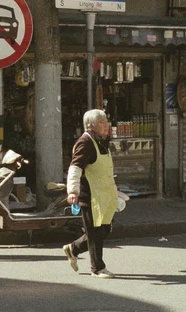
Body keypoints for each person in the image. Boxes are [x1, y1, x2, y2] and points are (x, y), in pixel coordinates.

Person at [63, 109, 118, 279]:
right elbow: (75, 168)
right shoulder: (85, 143)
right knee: (94, 232)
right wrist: (73, 191)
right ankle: (97, 268)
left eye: (106, 121)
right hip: (91, 196)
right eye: (102, 122)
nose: (106, 125)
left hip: (106, 194)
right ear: (91, 125)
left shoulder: (102, 141)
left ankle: (73, 249)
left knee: (105, 229)